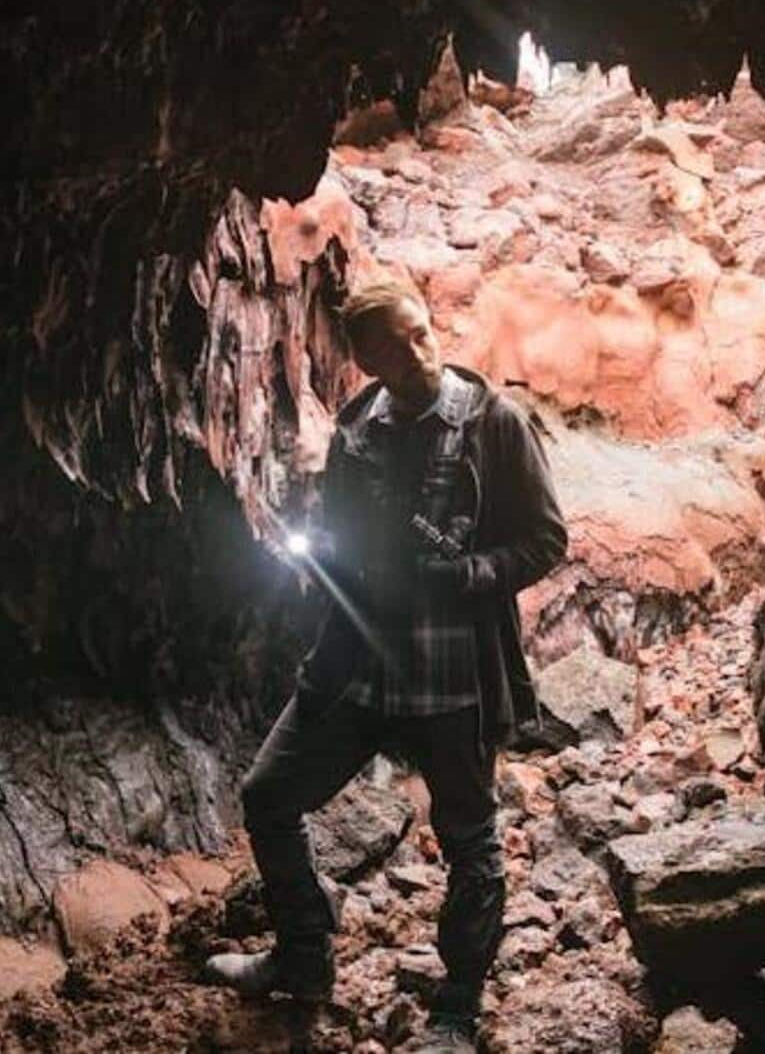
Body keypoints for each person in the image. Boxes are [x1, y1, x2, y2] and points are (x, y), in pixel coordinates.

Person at [202, 280, 567, 1053]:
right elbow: (336, 542)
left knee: (470, 839)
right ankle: (304, 957)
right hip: (360, 666)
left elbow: (545, 542)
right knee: (269, 795)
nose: (419, 352)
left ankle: (456, 1010)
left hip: (450, 675)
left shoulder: (492, 424)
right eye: (396, 343)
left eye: (423, 332)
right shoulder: (357, 430)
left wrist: (466, 575)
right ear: (365, 358)